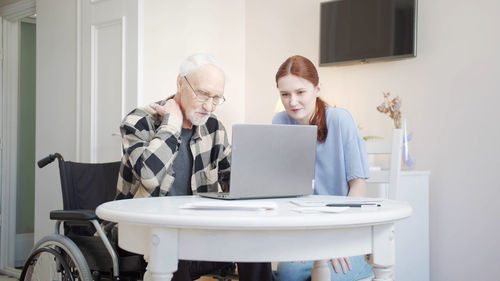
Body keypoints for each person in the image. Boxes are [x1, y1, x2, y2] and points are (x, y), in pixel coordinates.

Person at [116, 54, 273, 281]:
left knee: (254, 242)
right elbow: (148, 175)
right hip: (145, 233)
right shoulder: (138, 121)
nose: (209, 106)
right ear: (180, 82)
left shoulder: (213, 128)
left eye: (217, 98)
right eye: (203, 94)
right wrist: (172, 123)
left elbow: (235, 182)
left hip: (198, 231)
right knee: (174, 246)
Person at [272, 55, 372, 281]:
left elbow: (358, 185)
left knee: (329, 275)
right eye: (285, 94)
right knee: (289, 274)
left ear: (317, 89)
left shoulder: (339, 120)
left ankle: (361, 268)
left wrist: (340, 239)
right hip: (302, 234)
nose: (292, 102)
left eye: (300, 92)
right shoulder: (279, 123)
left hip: (342, 232)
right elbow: (278, 189)